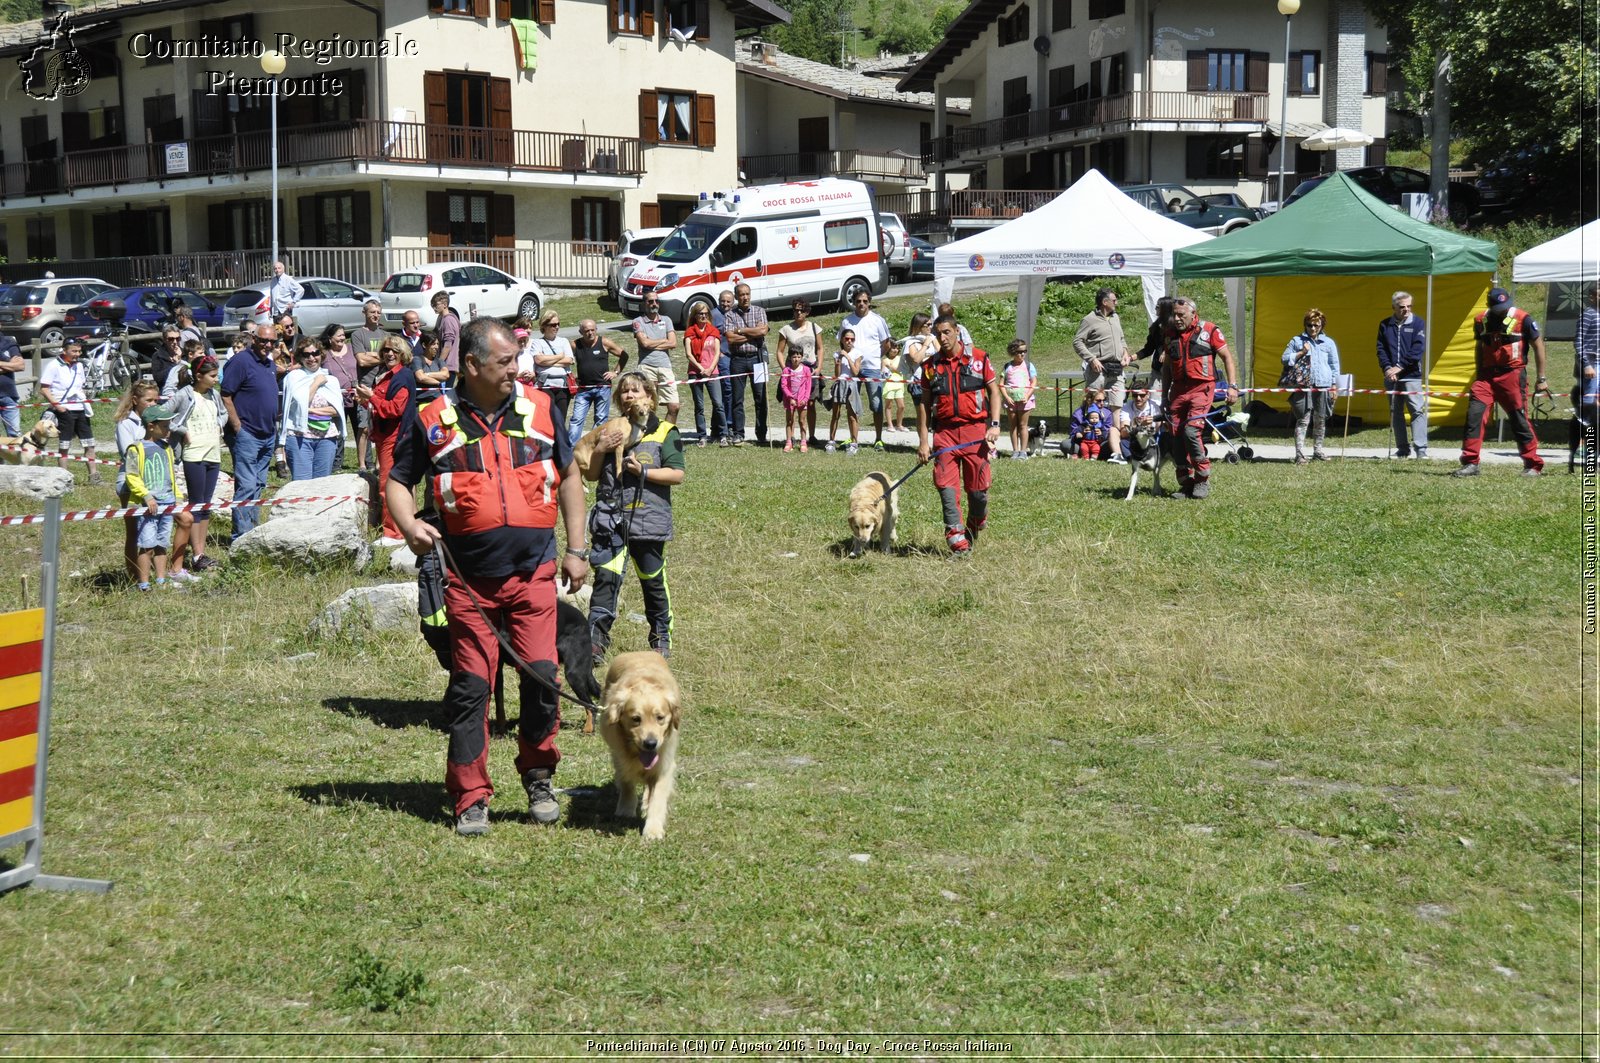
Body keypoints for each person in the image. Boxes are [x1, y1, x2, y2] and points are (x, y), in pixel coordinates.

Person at [384, 316, 590, 835]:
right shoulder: (432, 418)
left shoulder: (541, 409)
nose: (516, 369)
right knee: (471, 689)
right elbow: (399, 481)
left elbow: (568, 476)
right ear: (471, 364)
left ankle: (539, 776)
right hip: (469, 582)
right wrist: (409, 525)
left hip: (535, 574)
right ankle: (470, 796)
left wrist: (577, 548)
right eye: (505, 361)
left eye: (517, 359)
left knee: (543, 677)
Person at [582, 370, 683, 660]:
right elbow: (590, 474)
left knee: (651, 579)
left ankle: (661, 638)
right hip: (610, 517)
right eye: (624, 391)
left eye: (636, 390)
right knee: (606, 578)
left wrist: (645, 472)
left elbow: (677, 474)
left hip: (648, 518)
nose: (630, 395)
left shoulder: (665, 432)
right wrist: (601, 449)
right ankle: (596, 641)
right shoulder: (610, 429)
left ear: (650, 398)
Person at [916, 314, 1001, 556]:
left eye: (946, 332)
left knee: (978, 492)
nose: (942, 338)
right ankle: (957, 542)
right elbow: (923, 404)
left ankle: (976, 522)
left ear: (956, 332)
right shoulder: (930, 367)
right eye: (938, 334)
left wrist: (994, 425)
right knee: (946, 488)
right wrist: (923, 442)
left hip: (975, 433)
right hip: (945, 434)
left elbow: (994, 392)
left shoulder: (979, 359)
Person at [1456, 287, 1548, 477]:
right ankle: (1471, 463)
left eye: (1506, 306)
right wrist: (1479, 372)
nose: (1504, 310)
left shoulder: (1524, 318)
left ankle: (1533, 464)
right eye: (1499, 307)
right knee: (1474, 416)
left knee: (1518, 419)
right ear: (1489, 305)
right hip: (1486, 377)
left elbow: (1538, 345)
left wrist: (1542, 378)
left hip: (1513, 375)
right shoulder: (1480, 320)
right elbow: (1480, 348)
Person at [1160, 296, 1238, 500]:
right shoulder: (1169, 335)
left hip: (1201, 388)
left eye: (1181, 315)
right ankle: (1186, 483)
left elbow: (1227, 358)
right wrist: (1164, 397)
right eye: (1174, 315)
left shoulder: (1209, 330)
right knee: (1175, 435)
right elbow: (1167, 367)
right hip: (1178, 390)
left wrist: (1232, 387)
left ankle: (1202, 480)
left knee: (1191, 432)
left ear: (1194, 313)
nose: (1176, 319)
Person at [221, 324, 283, 539]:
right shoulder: (240, 361)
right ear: (253, 339)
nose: (267, 345)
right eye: (263, 341)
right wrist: (237, 426)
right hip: (247, 434)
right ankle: (240, 536)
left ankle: (253, 533)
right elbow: (226, 394)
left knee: (258, 485)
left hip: (267, 433)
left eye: (272, 342)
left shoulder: (270, 363)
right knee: (246, 486)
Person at [168, 354, 226, 572]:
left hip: (213, 453)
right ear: (199, 376)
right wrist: (183, 431)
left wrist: (220, 424)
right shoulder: (184, 394)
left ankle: (200, 553)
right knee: (196, 504)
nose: (216, 379)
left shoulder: (215, 395)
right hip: (194, 455)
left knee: (206, 506)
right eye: (212, 376)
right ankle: (196, 554)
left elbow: (223, 414)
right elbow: (164, 415)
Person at [359, 337, 417, 544]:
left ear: (402, 354)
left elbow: (395, 409)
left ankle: (394, 532)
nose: (389, 354)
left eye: (394, 350)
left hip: (395, 438)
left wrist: (372, 397)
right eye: (385, 351)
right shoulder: (384, 376)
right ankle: (403, 528)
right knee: (397, 483)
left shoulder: (403, 376)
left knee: (389, 484)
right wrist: (368, 400)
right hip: (384, 437)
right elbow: (383, 405)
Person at [124, 402, 179, 592]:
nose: (168, 430)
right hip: (147, 505)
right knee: (146, 545)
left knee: (162, 543)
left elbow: (170, 474)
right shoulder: (136, 448)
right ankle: (144, 583)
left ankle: (162, 580)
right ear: (151, 426)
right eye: (164, 426)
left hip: (168, 503)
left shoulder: (167, 448)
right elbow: (131, 475)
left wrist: (177, 496)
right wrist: (146, 496)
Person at [38, 338, 102, 484]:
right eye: (74, 351)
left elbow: (80, 386)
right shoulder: (53, 365)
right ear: (64, 350)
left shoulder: (79, 366)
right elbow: (44, 388)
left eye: (79, 351)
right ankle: (64, 479)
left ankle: (94, 476)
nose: (77, 354)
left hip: (80, 408)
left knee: (89, 444)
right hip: (64, 410)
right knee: (64, 446)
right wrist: (58, 406)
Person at [1282, 308, 1341, 464]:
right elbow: (1285, 358)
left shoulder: (1329, 343)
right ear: (1305, 325)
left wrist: (1334, 386)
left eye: (1316, 325)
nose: (1313, 329)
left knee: (1320, 419)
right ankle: (1300, 454)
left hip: (1324, 385)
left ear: (1322, 325)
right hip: (1304, 386)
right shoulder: (1297, 341)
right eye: (1310, 325)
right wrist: (1301, 352)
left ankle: (1318, 450)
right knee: (1303, 420)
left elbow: (1334, 366)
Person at [280, 340, 345, 480]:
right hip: (299, 437)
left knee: (321, 485)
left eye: (315, 353)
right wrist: (316, 383)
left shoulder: (331, 380)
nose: (311, 358)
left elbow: (337, 411)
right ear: (300, 357)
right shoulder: (294, 377)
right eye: (306, 355)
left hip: (326, 437)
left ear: (321, 354)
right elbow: (300, 404)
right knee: (302, 484)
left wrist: (310, 410)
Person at [114, 380, 161, 579]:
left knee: (156, 528)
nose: (152, 404)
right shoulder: (126, 423)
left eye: (155, 400)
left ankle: (153, 572)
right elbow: (129, 453)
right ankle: (133, 574)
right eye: (148, 400)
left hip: (156, 480)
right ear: (135, 400)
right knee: (133, 530)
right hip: (131, 481)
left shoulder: (157, 420)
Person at [1377, 290, 1428, 459]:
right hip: (1391, 376)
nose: (1406, 309)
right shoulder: (1384, 325)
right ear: (1393, 307)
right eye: (1402, 307)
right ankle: (1402, 449)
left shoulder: (1418, 323)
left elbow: (1417, 350)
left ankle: (1421, 450)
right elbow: (1381, 350)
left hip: (1411, 375)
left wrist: (1398, 367)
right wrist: (1387, 369)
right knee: (1395, 412)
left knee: (1417, 411)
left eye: (1409, 306)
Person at [838, 291, 892, 450]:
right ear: (854, 302)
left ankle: (878, 439)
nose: (861, 304)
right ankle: (853, 438)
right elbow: (841, 343)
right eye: (858, 301)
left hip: (872, 368)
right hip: (851, 369)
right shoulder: (847, 321)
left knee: (876, 404)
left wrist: (875, 357)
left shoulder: (877, 320)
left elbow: (886, 344)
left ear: (869, 302)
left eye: (864, 301)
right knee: (851, 404)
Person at [723, 283, 770, 446]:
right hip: (738, 360)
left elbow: (763, 331)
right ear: (736, 297)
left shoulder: (759, 311)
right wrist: (752, 333)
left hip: (757, 358)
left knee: (761, 397)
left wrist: (740, 331)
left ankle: (761, 433)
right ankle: (738, 433)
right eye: (741, 294)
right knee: (737, 398)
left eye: (747, 294)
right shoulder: (730, 315)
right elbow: (730, 338)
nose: (745, 297)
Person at [1074, 287, 1133, 410]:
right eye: (1114, 300)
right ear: (1105, 302)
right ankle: (1089, 427)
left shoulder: (1115, 317)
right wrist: (1091, 359)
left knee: (1117, 405)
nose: (1116, 303)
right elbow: (1077, 342)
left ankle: (1115, 428)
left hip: (1117, 369)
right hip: (1098, 370)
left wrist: (1125, 353)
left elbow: (1121, 338)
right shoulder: (1089, 319)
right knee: (1093, 403)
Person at [568, 319, 626, 445]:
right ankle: (571, 450)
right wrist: (572, 377)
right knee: (576, 419)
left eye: (592, 330)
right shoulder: (574, 345)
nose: (590, 333)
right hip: (583, 389)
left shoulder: (604, 342)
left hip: (602, 388)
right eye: (586, 331)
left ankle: (594, 448)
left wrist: (615, 373)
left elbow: (624, 355)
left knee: (600, 419)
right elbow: (565, 360)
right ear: (580, 332)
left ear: (596, 330)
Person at [776, 300, 824, 447]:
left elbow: (820, 348)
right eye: (796, 310)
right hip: (793, 373)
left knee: (809, 403)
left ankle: (811, 435)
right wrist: (786, 370)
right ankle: (791, 439)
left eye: (801, 310)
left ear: (807, 312)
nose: (798, 313)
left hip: (810, 370)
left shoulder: (815, 327)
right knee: (792, 405)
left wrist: (819, 367)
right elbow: (779, 351)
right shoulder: (786, 329)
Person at [631, 295, 680, 428]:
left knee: (674, 406)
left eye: (656, 301)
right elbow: (644, 343)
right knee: (647, 407)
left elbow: (673, 343)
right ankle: (647, 435)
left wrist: (652, 343)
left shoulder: (667, 320)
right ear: (644, 303)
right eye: (650, 301)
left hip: (665, 367)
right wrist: (664, 341)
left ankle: (665, 435)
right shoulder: (638, 321)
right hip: (646, 366)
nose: (654, 304)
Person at [682, 302, 724, 446]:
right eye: (700, 313)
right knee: (699, 406)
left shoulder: (714, 332)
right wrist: (701, 369)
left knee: (718, 403)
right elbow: (688, 354)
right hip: (695, 372)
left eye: (706, 313)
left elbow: (717, 352)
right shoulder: (689, 333)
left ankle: (723, 435)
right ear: (695, 315)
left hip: (713, 372)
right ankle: (702, 436)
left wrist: (710, 368)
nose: (703, 316)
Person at [528, 310, 575, 426]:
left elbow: (569, 360)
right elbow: (538, 360)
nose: (557, 327)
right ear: (544, 325)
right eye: (553, 325)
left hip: (562, 386)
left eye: (558, 324)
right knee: (547, 419)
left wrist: (547, 362)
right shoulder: (537, 343)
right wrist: (559, 356)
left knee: (560, 420)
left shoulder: (564, 341)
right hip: (545, 385)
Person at [1572, 281, 1600, 471]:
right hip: (1592, 363)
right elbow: (1578, 342)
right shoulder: (1588, 314)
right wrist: (1587, 365)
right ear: (1592, 297)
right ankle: (1585, 446)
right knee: (1589, 406)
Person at [825, 329, 863, 454]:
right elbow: (837, 374)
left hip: (851, 384)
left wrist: (847, 356)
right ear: (842, 339)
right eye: (846, 339)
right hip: (840, 383)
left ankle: (854, 443)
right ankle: (831, 441)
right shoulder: (837, 354)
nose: (849, 341)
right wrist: (838, 362)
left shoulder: (857, 353)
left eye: (852, 339)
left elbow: (856, 372)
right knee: (835, 414)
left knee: (852, 415)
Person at [1001, 338, 1036, 459]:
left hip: (1025, 401)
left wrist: (1027, 396)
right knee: (1013, 426)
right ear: (1013, 352)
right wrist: (1006, 397)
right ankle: (1015, 451)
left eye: (1025, 351)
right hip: (1011, 401)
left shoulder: (1029, 366)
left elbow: (1033, 382)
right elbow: (1001, 384)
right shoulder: (1007, 366)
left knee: (1023, 425)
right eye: (1020, 351)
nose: (1023, 354)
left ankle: (1023, 451)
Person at [1136, 295, 1176, 397]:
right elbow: (1148, 349)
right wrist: (1131, 357)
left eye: (1158, 307)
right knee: (1154, 400)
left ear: (1165, 309)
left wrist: (1166, 352)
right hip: (1157, 371)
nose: (1155, 309)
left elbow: (1178, 343)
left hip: (1173, 372)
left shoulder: (1177, 326)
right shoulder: (1155, 327)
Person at [1115, 382, 1162, 461]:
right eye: (1135, 395)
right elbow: (1123, 433)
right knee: (1123, 441)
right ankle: (1125, 457)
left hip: (1151, 438)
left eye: (1142, 395)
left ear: (1148, 395)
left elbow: (1157, 430)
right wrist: (1137, 425)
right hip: (1135, 439)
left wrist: (1150, 424)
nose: (1138, 398)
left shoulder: (1155, 406)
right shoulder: (1126, 407)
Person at [779, 346, 814, 453]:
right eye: (794, 357)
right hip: (790, 400)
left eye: (799, 357)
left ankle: (803, 442)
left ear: (802, 357)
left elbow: (808, 386)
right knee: (790, 421)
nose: (796, 359)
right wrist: (790, 397)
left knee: (802, 421)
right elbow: (783, 385)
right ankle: (789, 442)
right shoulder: (786, 370)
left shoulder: (806, 370)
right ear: (790, 357)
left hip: (802, 400)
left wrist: (805, 399)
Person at [712, 289, 736, 436]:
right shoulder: (714, 315)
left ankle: (719, 425)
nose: (725, 304)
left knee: (732, 391)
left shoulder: (734, 314)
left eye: (728, 301)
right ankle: (726, 425)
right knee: (726, 389)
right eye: (723, 301)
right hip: (722, 357)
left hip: (735, 356)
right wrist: (718, 353)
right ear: (718, 300)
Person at [412, 331, 451, 403]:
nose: (436, 347)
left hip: (437, 400)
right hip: (420, 401)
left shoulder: (439, 361)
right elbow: (420, 377)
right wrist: (438, 382)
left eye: (437, 344)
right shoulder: (417, 359)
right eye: (433, 344)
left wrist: (427, 374)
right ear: (424, 345)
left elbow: (446, 375)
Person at [431, 290, 460, 384]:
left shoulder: (448, 320)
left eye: (436, 304)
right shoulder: (443, 318)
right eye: (432, 305)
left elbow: (448, 345)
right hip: (447, 365)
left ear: (445, 304)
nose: (434, 307)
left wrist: (439, 363)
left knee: (445, 394)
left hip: (448, 365)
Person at [0, 327, 23, 437]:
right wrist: (9, 365)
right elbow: (14, 365)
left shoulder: (9, 342)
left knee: (15, 436)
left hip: (8, 396)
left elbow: (20, 365)